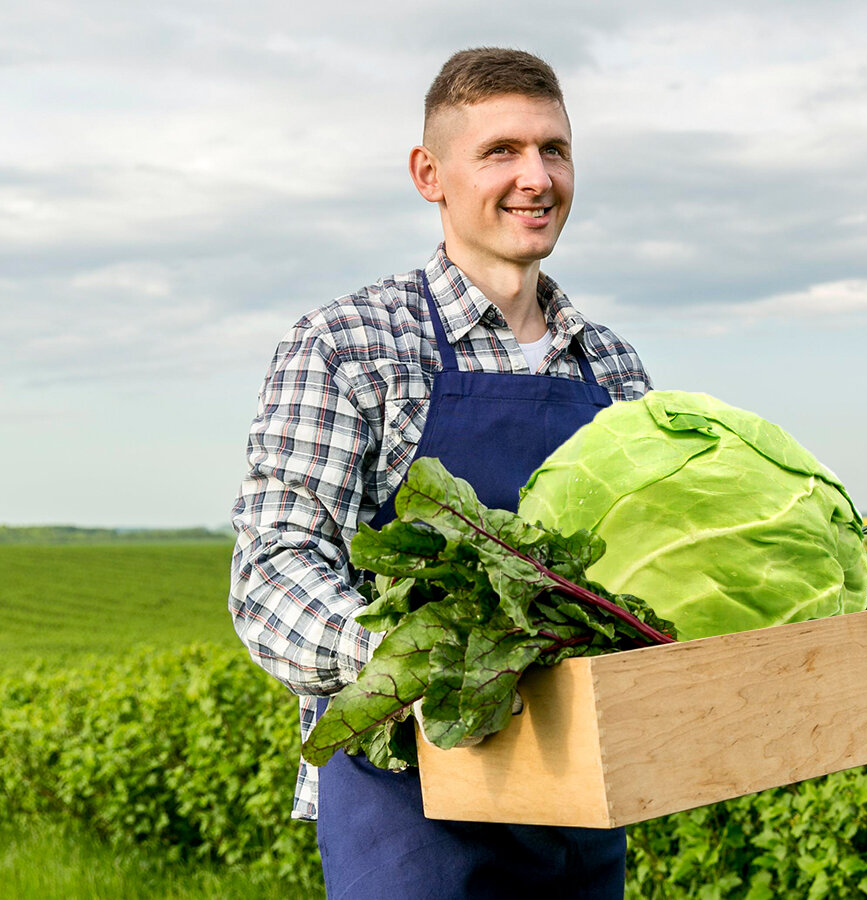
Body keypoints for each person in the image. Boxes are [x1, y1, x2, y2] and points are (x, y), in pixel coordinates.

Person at [228, 47, 651, 899]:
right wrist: (417, 661)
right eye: (501, 151)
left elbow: (654, 572)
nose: (536, 177)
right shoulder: (351, 345)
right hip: (411, 813)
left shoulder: (612, 367)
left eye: (554, 150)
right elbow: (271, 574)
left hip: (580, 808)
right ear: (430, 173)